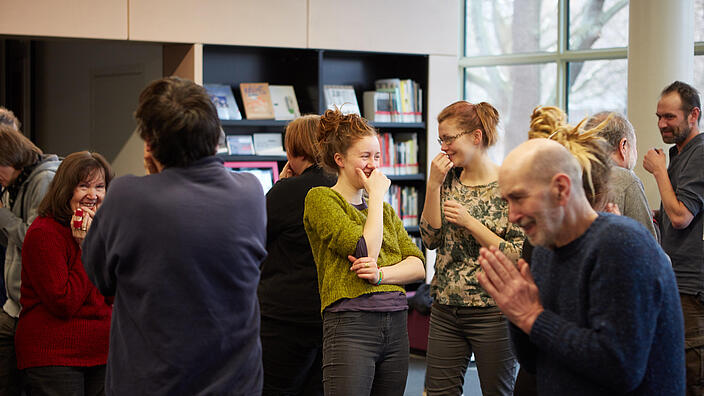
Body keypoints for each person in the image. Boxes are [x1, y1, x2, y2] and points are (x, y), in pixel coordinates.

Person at [81, 77, 267, 394]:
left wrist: (155, 175)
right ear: (213, 136)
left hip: (153, 383)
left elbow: (100, 277)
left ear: (150, 144)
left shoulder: (128, 196)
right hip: (237, 383)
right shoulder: (250, 192)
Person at [477, 138, 685, 395]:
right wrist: (517, 314)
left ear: (561, 188)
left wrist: (532, 317)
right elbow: (535, 362)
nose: (512, 215)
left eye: (519, 198)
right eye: (507, 201)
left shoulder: (621, 245)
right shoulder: (544, 248)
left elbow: (620, 369)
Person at [303, 108, 425, 395]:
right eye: (365, 156)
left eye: (377, 156)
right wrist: (378, 196)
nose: (373, 164)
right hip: (350, 324)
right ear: (340, 160)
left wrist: (381, 275)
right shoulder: (321, 199)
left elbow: (418, 265)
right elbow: (364, 249)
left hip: (396, 325)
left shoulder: (382, 211)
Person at [420, 101, 524, 396]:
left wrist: (471, 223)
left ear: (476, 137)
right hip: (445, 308)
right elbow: (430, 239)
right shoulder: (447, 180)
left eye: (449, 138)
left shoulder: (509, 184)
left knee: (498, 392)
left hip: (493, 310)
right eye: (441, 139)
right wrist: (433, 186)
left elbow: (517, 254)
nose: (444, 147)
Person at [16, 151, 113, 395]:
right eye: (83, 186)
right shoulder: (44, 232)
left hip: (102, 352)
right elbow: (63, 302)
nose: (93, 195)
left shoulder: (104, 230)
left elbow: (112, 294)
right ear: (65, 189)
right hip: (54, 356)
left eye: (100, 186)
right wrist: (85, 249)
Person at [258, 114, 335, 396]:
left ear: (292, 149)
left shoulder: (285, 192)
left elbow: (255, 241)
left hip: (284, 316)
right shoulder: (342, 186)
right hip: (332, 316)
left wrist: (280, 186)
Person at [643, 80, 704, 396]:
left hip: (691, 288)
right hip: (674, 281)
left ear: (693, 115)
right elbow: (674, 210)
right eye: (658, 117)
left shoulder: (700, 151)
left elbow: (682, 216)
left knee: (691, 378)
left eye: (670, 117)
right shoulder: (679, 154)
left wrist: (658, 172)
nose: (662, 124)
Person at [0, 123, 60, 395]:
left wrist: (1, 215)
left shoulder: (42, 179)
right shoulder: (18, 182)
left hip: (32, 306)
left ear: (11, 158)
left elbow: (34, 240)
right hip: (15, 304)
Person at [584, 111, 657, 239]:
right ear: (623, 145)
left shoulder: (573, 174)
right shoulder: (626, 179)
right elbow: (648, 248)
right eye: (634, 146)